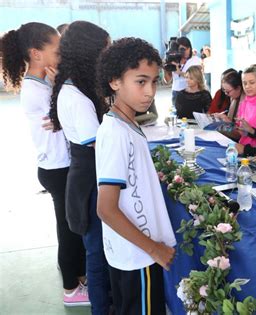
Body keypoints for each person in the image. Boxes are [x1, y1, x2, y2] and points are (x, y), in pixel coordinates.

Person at [1, 22, 88, 306]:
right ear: (36, 53)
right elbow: (63, 119)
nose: (61, 52)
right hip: (57, 168)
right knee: (69, 230)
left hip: (57, 165)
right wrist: (57, 88)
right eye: (56, 48)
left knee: (72, 227)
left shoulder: (41, 84)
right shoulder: (36, 89)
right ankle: (71, 290)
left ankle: (78, 275)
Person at [96, 37, 176, 315]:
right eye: (141, 82)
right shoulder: (117, 134)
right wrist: (154, 249)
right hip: (139, 255)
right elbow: (106, 208)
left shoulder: (126, 123)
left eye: (154, 82)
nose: (150, 91)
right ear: (115, 81)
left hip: (131, 251)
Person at [49, 21, 111, 314]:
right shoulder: (76, 96)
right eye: (104, 51)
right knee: (97, 256)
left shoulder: (77, 86)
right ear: (90, 53)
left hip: (87, 173)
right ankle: (102, 308)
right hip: (89, 180)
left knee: (98, 252)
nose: (107, 57)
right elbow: (101, 147)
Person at [163, 36, 201, 106]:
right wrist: (166, 69)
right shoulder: (174, 59)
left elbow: (197, 77)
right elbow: (167, 81)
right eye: (181, 49)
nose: (184, 52)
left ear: (190, 48)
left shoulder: (195, 60)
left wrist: (180, 72)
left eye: (185, 49)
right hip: (176, 92)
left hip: (191, 92)